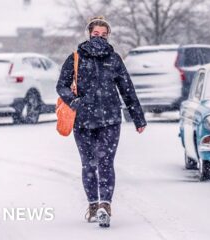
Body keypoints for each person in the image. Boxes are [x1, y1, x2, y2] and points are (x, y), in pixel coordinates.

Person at [56, 16, 147, 228]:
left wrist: (138, 118)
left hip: (110, 120)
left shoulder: (114, 59)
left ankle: (105, 206)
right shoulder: (75, 58)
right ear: (89, 34)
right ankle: (93, 206)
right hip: (83, 121)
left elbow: (127, 90)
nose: (99, 38)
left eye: (103, 35)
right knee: (89, 165)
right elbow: (61, 86)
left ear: (108, 36)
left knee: (105, 162)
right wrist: (75, 102)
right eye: (96, 34)